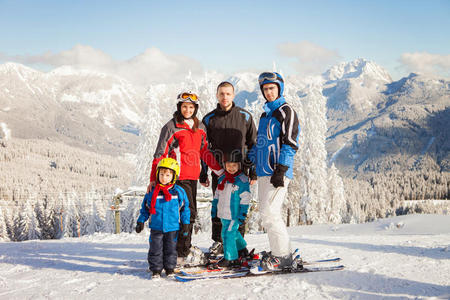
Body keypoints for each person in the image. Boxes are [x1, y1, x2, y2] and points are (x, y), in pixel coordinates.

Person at [149, 92, 223, 262]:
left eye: (191, 107)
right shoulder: (171, 127)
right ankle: (181, 252)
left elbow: (204, 152)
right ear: (179, 107)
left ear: (195, 109)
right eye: (184, 106)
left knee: (189, 213)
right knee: (186, 214)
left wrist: (219, 171)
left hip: (192, 178)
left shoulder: (200, 128)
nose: (187, 110)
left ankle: (181, 249)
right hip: (176, 178)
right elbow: (159, 155)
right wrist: (153, 179)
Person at [248, 72, 300, 270]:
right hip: (263, 172)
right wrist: (249, 162)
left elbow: (290, 143)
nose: (269, 92)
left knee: (271, 213)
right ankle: (280, 251)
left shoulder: (286, 112)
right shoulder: (266, 115)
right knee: (266, 213)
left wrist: (282, 168)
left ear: (279, 89)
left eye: (272, 88)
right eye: (265, 89)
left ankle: (282, 257)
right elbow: (260, 144)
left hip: (277, 172)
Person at [200, 81, 257, 255]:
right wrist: (203, 172)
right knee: (219, 207)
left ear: (233, 95)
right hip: (219, 172)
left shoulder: (244, 117)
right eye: (221, 93)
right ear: (217, 95)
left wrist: (253, 170)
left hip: (240, 172)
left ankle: (238, 244)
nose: (225, 97)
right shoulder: (209, 119)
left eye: (228, 93)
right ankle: (219, 241)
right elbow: (203, 147)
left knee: (238, 207)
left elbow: (253, 144)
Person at [136, 158, 190, 278]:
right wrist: (140, 221)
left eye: (167, 175)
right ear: (157, 174)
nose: (164, 178)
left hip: (172, 227)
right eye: (161, 174)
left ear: (174, 176)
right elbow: (145, 208)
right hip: (156, 227)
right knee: (156, 249)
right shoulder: (152, 192)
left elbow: (185, 208)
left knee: (171, 249)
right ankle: (156, 270)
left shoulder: (178, 192)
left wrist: (185, 224)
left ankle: (170, 268)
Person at [211, 151, 251, 267]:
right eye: (228, 165)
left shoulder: (242, 180)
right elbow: (217, 195)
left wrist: (242, 214)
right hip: (223, 214)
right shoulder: (222, 178)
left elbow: (245, 199)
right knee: (232, 232)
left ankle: (231, 258)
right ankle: (242, 249)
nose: (231, 168)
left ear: (239, 165)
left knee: (227, 234)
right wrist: (214, 210)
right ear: (224, 165)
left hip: (234, 214)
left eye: (234, 165)